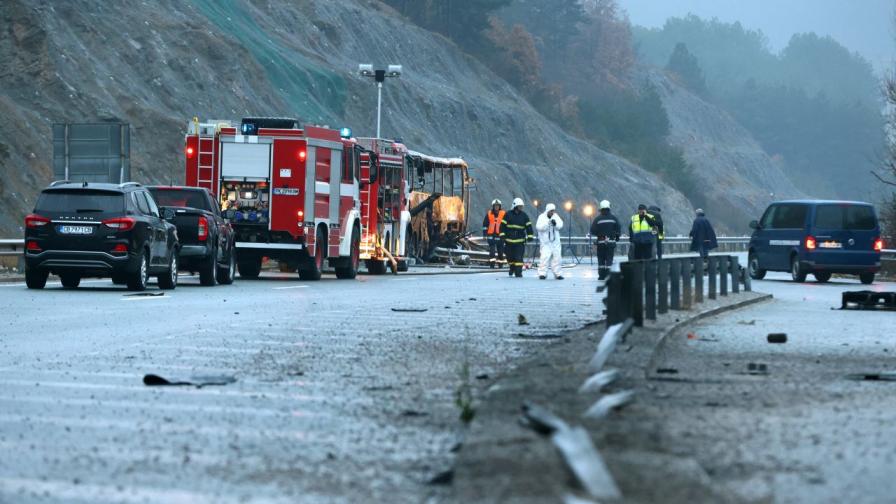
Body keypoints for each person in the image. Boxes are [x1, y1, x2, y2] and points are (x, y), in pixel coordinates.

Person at [500, 198, 535, 278]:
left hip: (520, 241)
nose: (521, 208)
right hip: (509, 241)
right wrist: (502, 235)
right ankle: (512, 268)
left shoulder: (524, 216)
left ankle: (518, 272)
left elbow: (528, 226)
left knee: (519, 257)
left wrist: (530, 236)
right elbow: (502, 226)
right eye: (519, 206)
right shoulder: (508, 214)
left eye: (521, 207)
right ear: (515, 206)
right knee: (510, 257)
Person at [590, 200, 621, 280]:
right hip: (610, 242)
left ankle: (601, 276)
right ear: (609, 207)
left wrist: (599, 234)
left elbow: (593, 230)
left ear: (601, 208)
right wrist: (617, 237)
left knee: (601, 259)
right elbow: (618, 229)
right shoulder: (614, 218)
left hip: (600, 242)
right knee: (609, 259)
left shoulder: (597, 219)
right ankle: (609, 275)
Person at [535, 203, 564, 280]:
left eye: (553, 211)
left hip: (555, 242)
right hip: (546, 243)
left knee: (557, 258)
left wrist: (555, 224)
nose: (552, 212)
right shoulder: (541, 217)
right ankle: (542, 273)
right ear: (547, 210)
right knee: (544, 258)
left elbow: (560, 225)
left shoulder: (556, 216)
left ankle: (558, 274)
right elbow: (538, 227)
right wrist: (547, 224)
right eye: (551, 211)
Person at [481, 199, 505, 268]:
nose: (496, 207)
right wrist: (485, 234)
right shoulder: (489, 214)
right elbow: (485, 225)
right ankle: (492, 265)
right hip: (491, 236)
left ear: (500, 206)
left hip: (500, 236)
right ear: (493, 206)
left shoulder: (504, 214)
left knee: (500, 253)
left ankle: (500, 265)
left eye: (497, 206)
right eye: (495, 206)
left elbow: (506, 225)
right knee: (492, 253)